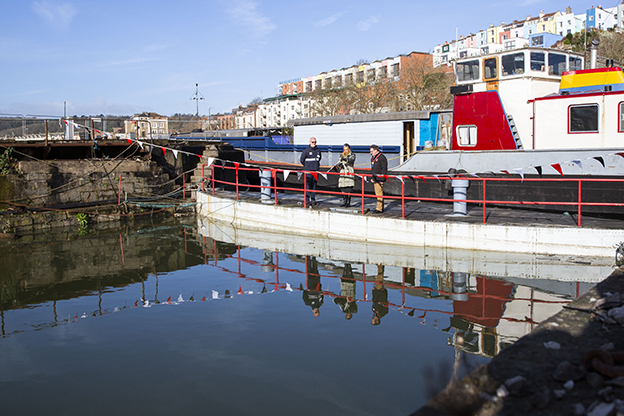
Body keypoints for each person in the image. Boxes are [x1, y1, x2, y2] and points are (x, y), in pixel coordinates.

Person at [300, 137, 322, 206]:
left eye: (315, 142)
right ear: (310, 142)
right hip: (308, 172)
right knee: (307, 187)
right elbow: (302, 160)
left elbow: (319, 158)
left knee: (314, 187)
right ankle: (306, 201)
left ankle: (313, 200)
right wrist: (307, 166)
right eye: (312, 142)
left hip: (315, 171)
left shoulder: (318, 150)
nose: (314, 143)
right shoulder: (306, 150)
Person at [369, 144, 387, 213]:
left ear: (376, 150)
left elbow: (384, 169)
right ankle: (379, 207)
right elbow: (373, 169)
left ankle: (380, 208)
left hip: (379, 178)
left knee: (379, 193)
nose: (371, 153)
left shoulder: (381, 158)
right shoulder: (373, 158)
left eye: (372, 151)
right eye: (370, 151)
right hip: (375, 177)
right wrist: (372, 177)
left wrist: (382, 179)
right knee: (377, 193)